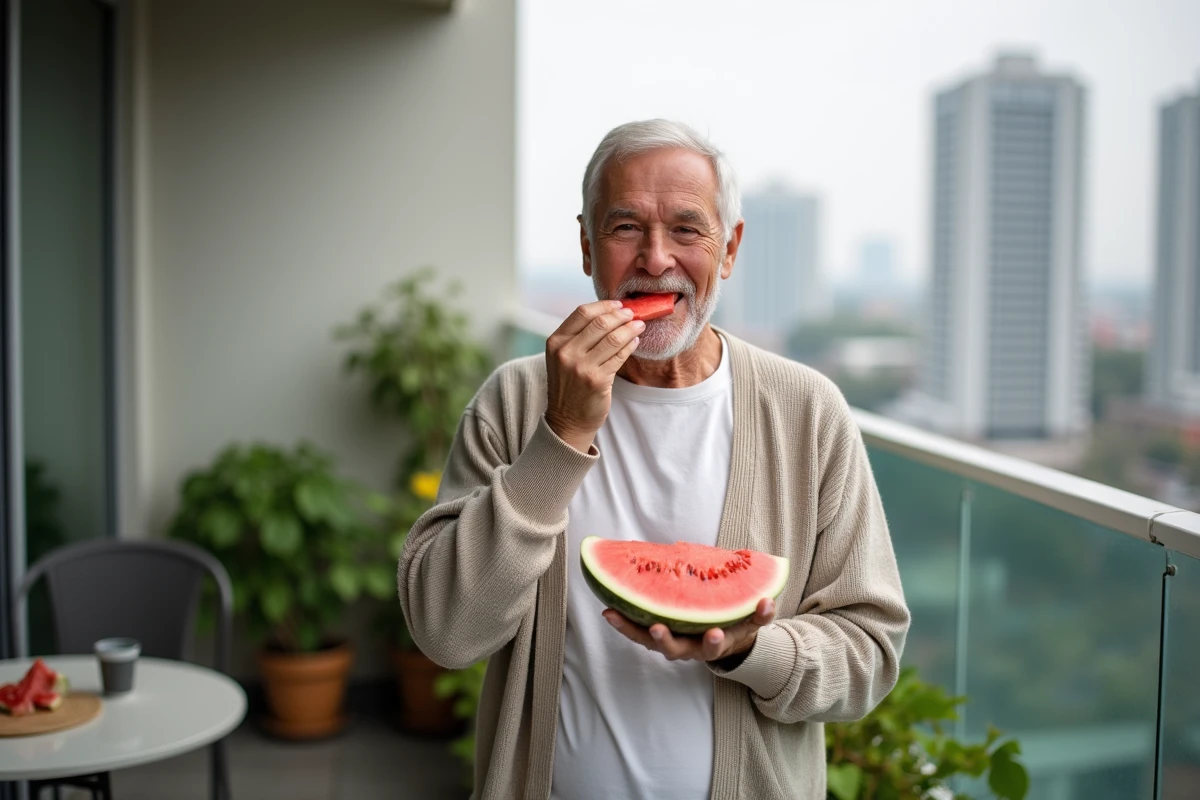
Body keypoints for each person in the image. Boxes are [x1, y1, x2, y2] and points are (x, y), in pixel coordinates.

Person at [398, 119, 911, 800]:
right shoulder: (517, 401)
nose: (657, 259)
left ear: (729, 249)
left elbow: (869, 654)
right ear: (586, 246)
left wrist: (750, 649)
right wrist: (559, 434)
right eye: (625, 228)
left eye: (688, 230)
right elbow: (446, 632)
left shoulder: (808, 411)